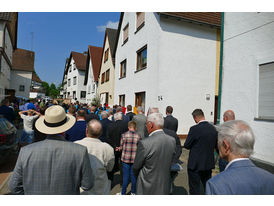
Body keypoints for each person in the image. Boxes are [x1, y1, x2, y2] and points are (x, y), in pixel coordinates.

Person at [8, 105, 94, 195]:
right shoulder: (80, 151)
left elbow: (14, 187)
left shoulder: (26, 151)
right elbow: (87, 185)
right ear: (65, 129)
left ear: (45, 129)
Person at [206, 120, 274, 195]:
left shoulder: (216, 185)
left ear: (226, 146)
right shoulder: (270, 179)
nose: (218, 147)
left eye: (218, 143)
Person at [133, 113, 176, 195]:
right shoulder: (172, 140)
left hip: (147, 185)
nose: (146, 126)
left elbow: (136, 167)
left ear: (150, 124)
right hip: (164, 185)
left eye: (146, 124)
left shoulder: (144, 143)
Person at [75, 119, 115, 195]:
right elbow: (110, 168)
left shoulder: (76, 145)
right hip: (100, 188)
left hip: (81, 188)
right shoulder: (107, 148)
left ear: (86, 131)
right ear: (100, 133)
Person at [183, 109, 218, 195]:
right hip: (208, 163)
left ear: (195, 117)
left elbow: (187, 145)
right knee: (207, 187)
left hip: (195, 164)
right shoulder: (213, 129)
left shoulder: (194, 129)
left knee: (194, 188)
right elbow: (216, 146)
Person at [116, 121, 141, 195]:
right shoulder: (138, 136)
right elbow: (140, 148)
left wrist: (119, 148)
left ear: (128, 127)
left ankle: (123, 193)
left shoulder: (124, 135)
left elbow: (121, 146)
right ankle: (133, 192)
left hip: (125, 158)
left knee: (125, 177)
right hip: (134, 158)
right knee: (133, 176)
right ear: (135, 127)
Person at [106, 112, 128, 184]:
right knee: (123, 166)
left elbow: (108, 138)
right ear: (121, 118)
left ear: (114, 118)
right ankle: (123, 182)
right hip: (123, 148)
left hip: (113, 148)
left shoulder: (110, 125)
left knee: (112, 165)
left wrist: (115, 146)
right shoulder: (126, 125)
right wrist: (121, 146)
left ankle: (110, 181)